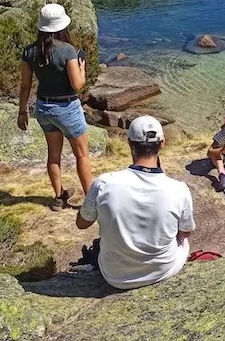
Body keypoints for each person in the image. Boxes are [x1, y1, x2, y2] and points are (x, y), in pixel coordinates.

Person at [76, 116, 195, 290]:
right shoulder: (179, 189)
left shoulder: (104, 183)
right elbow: (184, 234)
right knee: (183, 242)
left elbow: (82, 223)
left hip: (114, 275)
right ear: (162, 143)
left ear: (130, 143)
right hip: (161, 271)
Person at [17, 3, 93, 211]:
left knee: (53, 155)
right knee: (82, 155)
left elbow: (25, 86)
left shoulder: (29, 52)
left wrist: (22, 111)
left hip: (43, 107)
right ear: (62, 27)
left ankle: (59, 197)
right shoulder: (67, 50)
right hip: (66, 107)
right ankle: (91, 201)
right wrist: (82, 68)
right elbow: (77, 84)